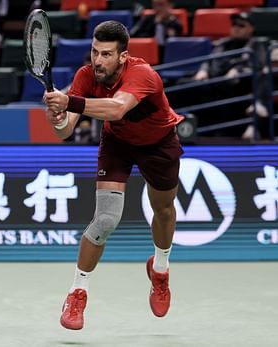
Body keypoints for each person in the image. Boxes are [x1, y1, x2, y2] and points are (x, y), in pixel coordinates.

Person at [43, 20, 184, 330]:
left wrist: (70, 102)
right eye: (94, 52)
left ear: (122, 56)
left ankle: (160, 270)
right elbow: (66, 129)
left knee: (162, 209)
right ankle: (77, 292)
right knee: (106, 219)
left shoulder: (143, 74)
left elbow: (118, 108)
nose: (98, 60)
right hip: (118, 143)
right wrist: (57, 117)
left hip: (159, 144)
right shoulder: (85, 76)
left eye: (106, 54)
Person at [192, 12, 269, 139]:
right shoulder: (223, 43)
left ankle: (254, 119)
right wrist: (203, 70)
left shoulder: (256, 45)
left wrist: (238, 69)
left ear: (251, 29)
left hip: (240, 87)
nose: (236, 28)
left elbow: (258, 66)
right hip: (217, 85)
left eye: (241, 25)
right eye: (234, 25)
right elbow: (209, 61)